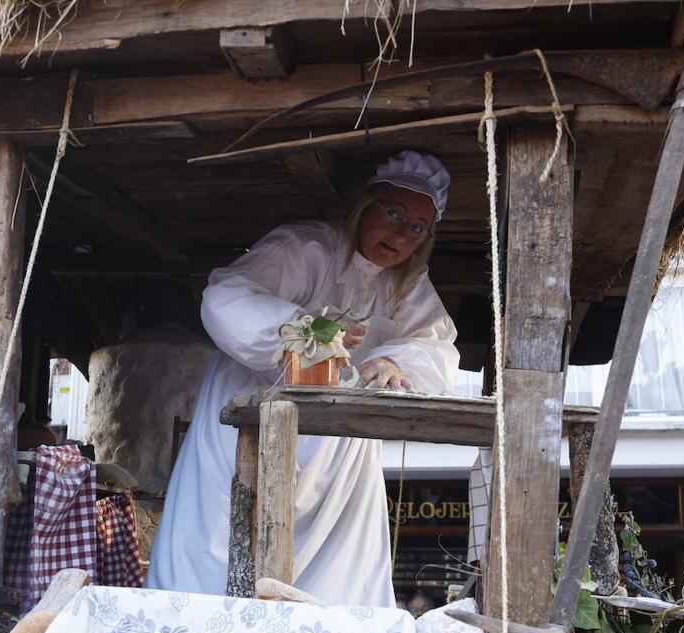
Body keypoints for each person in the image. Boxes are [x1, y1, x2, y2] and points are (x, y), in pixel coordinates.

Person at [146, 151, 460, 607]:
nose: (400, 234)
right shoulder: (307, 247)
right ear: (364, 207)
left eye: (417, 228)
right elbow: (225, 297)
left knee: (338, 580)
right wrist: (302, 332)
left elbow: (436, 346)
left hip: (339, 453)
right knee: (217, 553)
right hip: (249, 423)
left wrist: (394, 364)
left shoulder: (407, 284)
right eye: (394, 213)